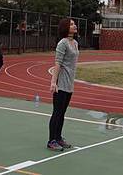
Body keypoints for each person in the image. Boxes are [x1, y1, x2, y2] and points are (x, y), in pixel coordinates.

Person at [47, 18, 79, 152]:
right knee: (57, 112)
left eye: (74, 23)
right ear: (65, 27)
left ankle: (58, 137)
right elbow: (58, 63)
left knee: (62, 112)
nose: (74, 25)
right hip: (61, 83)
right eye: (71, 24)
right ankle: (51, 140)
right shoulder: (62, 43)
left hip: (70, 83)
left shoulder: (75, 43)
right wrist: (53, 82)